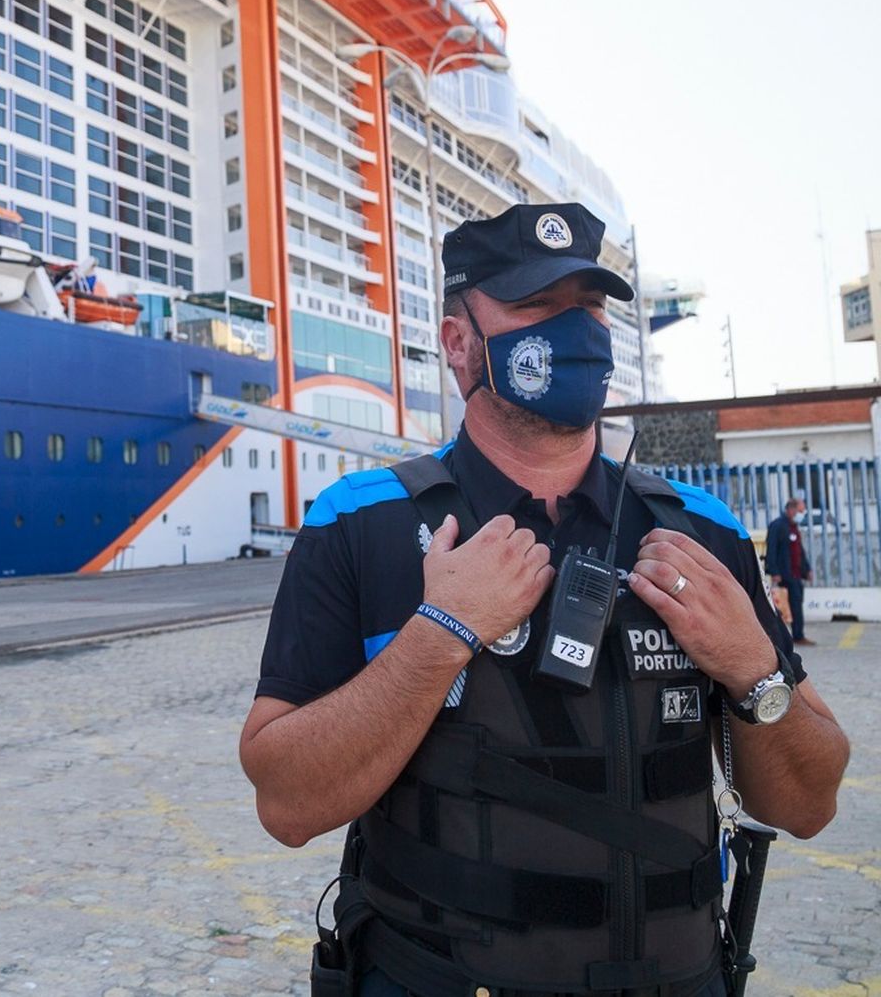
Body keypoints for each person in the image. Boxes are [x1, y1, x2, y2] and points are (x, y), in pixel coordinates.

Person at [240, 203, 850, 996]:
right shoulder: (360, 523)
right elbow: (286, 804)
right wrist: (440, 633)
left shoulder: (702, 530)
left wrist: (751, 666)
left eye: (589, 306)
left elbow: (809, 802)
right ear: (460, 343)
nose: (576, 331)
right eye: (537, 304)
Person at [765, 498, 814, 645]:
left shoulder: (794, 527)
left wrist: (807, 569)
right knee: (784, 609)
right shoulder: (777, 526)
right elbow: (771, 550)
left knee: (797, 605)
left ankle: (798, 635)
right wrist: (774, 572)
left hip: (796, 574)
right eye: (800, 511)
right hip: (784, 575)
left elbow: (799, 551)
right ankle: (785, 637)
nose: (802, 514)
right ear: (791, 510)